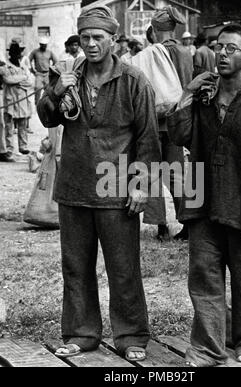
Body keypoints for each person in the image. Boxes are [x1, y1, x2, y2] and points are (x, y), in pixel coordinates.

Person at [37, 5, 161, 361]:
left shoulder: (134, 81)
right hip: (74, 188)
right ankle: (80, 333)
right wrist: (57, 90)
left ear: (114, 40)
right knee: (76, 267)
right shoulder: (68, 76)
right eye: (85, 38)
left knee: (124, 269)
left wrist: (140, 184)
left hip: (116, 190)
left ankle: (132, 335)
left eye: (98, 38)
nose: (90, 45)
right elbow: (47, 116)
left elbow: (148, 139)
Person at [167, 24, 241, 367]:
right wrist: (188, 94)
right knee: (204, 276)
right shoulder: (204, 99)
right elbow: (179, 135)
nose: (222, 53)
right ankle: (207, 347)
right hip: (204, 201)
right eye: (219, 47)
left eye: (231, 49)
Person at [143, 6, 194, 241]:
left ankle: (161, 226)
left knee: (151, 172)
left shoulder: (149, 53)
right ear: (173, 29)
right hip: (178, 123)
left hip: (152, 123)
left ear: (154, 29)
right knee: (178, 173)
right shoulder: (185, 53)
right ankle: (189, 223)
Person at [0, 43, 33, 160]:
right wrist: (22, 79)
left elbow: (30, 82)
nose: (17, 55)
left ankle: (23, 147)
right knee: (9, 125)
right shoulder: (4, 67)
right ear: (10, 54)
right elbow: (8, 80)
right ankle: (9, 149)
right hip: (11, 99)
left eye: (18, 53)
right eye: (15, 53)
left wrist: (19, 80)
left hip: (22, 100)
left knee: (22, 124)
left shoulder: (23, 66)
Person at [29, 37, 58, 105]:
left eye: (45, 44)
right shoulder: (35, 52)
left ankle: (48, 104)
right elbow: (28, 60)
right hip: (39, 74)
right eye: (42, 44)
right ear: (40, 44)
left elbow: (55, 61)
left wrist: (52, 70)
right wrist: (32, 70)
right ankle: (37, 104)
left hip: (47, 74)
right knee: (37, 89)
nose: (44, 46)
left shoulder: (49, 52)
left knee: (49, 90)